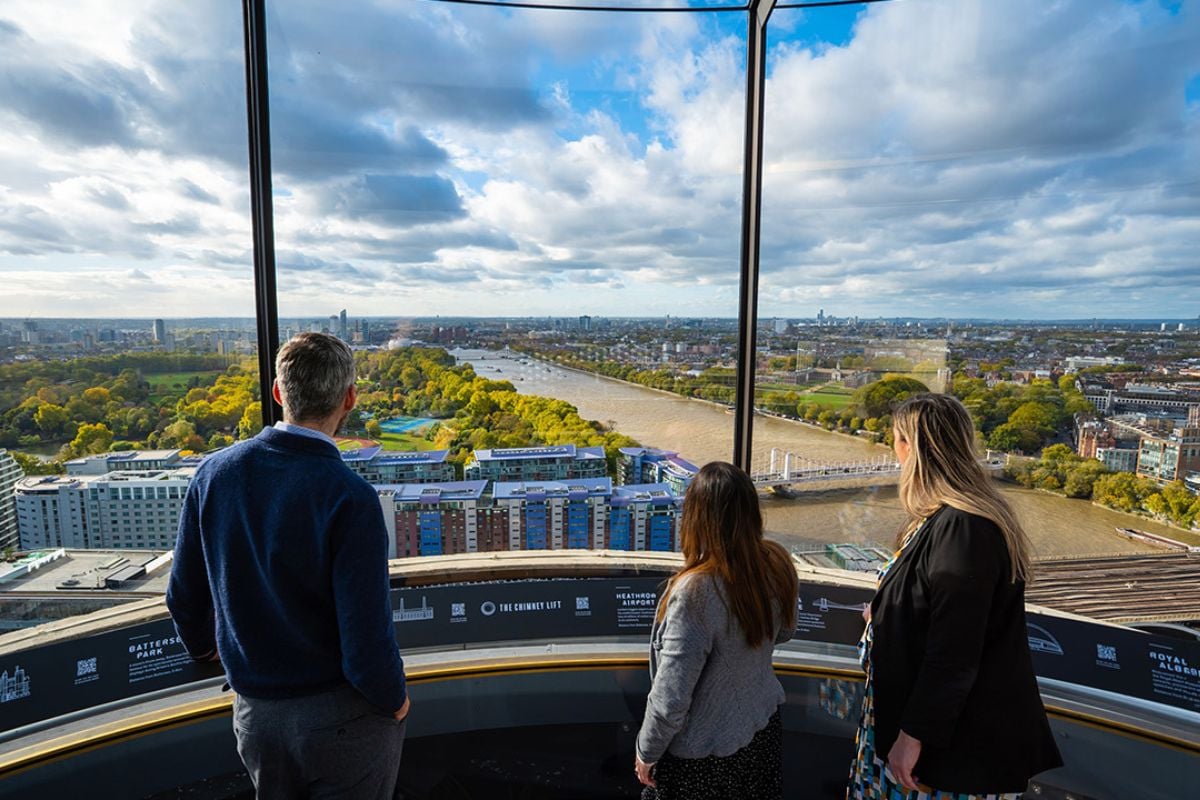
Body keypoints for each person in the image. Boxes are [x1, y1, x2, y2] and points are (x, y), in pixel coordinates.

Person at [166, 332, 409, 799]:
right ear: (349, 398)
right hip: (341, 719)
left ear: (278, 394)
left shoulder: (214, 474)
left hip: (256, 716)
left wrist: (204, 650)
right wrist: (395, 700)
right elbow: (366, 639)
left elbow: (183, 596)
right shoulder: (349, 497)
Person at [848, 393, 1062, 800]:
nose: (894, 453)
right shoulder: (944, 521)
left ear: (912, 448)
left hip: (945, 756)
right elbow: (939, 613)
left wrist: (912, 738)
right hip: (933, 738)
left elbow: (955, 650)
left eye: (895, 440)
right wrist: (886, 617)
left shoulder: (964, 530)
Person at [635, 461, 799, 800]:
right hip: (761, 732)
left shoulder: (695, 592)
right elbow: (783, 632)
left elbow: (671, 699)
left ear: (696, 518)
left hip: (704, 758)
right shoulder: (777, 561)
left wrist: (646, 753)